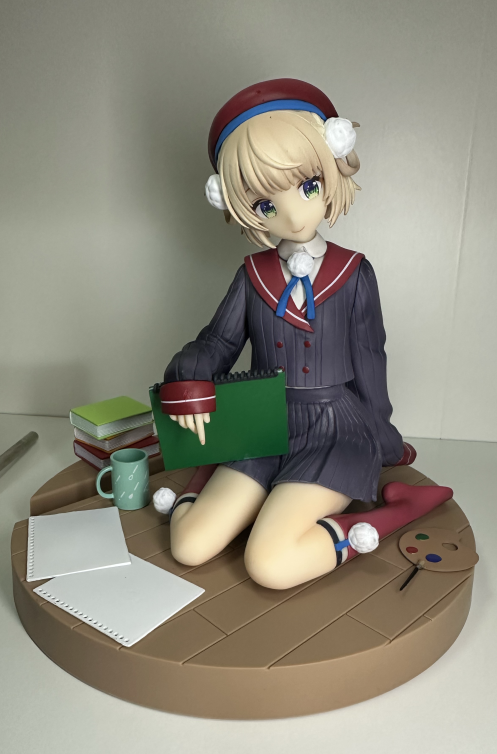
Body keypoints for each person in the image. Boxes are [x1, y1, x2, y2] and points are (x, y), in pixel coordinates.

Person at [157, 79, 451, 590]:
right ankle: (214, 479)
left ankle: (398, 511)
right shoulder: (251, 275)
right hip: (263, 422)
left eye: (307, 186)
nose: (293, 214)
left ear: (332, 168)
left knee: (269, 563)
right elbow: (217, 343)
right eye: (266, 205)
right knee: (189, 544)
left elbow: (371, 360)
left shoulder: (354, 273)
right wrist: (188, 381)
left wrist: (383, 438)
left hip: (335, 429)